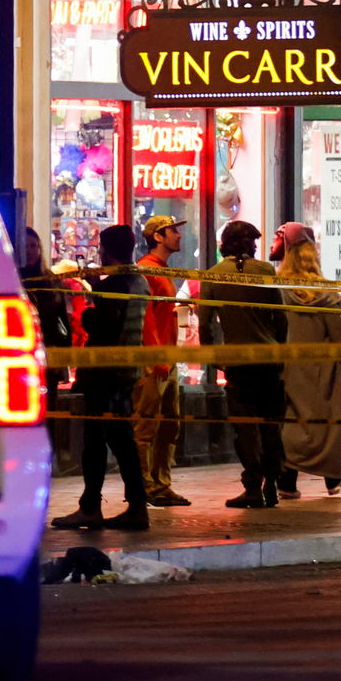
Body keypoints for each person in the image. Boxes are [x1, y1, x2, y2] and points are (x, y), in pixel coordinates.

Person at [51, 224, 150, 531]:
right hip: (126, 372)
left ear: (106, 250)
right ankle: (135, 505)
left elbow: (101, 324)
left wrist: (94, 296)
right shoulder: (139, 281)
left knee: (96, 441)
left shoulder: (118, 284)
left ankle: (91, 506)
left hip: (105, 373)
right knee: (122, 440)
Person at [269, 223, 341, 499]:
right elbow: (340, 333)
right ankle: (333, 475)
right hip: (321, 371)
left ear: (288, 246)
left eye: (277, 238)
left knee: (291, 425)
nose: (270, 244)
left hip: (288, 368)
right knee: (324, 428)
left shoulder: (276, 288)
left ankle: (289, 480)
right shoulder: (323, 292)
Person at [199, 220, 287, 509]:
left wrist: (214, 359)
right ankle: (272, 485)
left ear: (224, 244)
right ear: (252, 244)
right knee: (271, 426)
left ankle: (252, 487)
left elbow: (206, 324)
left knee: (245, 428)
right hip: (269, 360)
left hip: (238, 363)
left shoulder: (213, 275)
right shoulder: (266, 271)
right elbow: (281, 318)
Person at [133, 215, 189, 508]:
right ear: (158, 236)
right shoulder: (146, 270)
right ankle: (144, 485)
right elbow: (145, 320)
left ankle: (162, 484)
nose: (179, 236)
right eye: (173, 231)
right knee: (146, 427)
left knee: (169, 426)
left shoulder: (163, 270)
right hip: (155, 361)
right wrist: (156, 359)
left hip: (168, 358)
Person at [21, 227, 72, 443]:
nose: (31, 251)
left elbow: (62, 319)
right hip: (22, 354)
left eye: (34, 246)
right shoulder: (12, 279)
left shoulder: (50, 279)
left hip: (49, 354)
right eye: (26, 247)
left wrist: (66, 354)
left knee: (48, 407)